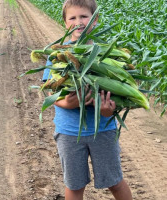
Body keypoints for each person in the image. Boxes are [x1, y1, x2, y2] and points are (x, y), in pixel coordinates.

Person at [43, 0, 133, 199]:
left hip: (103, 129)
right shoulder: (58, 54)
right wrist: (69, 103)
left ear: (95, 19)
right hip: (68, 132)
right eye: (72, 18)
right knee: (74, 186)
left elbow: (118, 95)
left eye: (84, 16)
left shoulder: (107, 54)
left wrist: (108, 110)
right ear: (65, 23)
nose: (79, 22)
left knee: (115, 182)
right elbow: (50, 93)